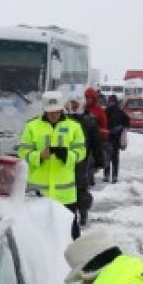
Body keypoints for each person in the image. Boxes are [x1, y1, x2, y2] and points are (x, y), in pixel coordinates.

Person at [17, 91, 87, 238]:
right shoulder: (32, 126)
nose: (53, 115)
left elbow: (81, 152)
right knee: (37, 235)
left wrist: (67, 155)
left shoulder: (74, 127)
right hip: (38, 194)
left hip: (65, 195)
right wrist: (39, 156)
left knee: (69, 235)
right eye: (50, 112)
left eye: (56, 111)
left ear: (61, 109)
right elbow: (23, 153)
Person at [66, 96, 101, 227]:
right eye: (72, 103)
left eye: (76, 104)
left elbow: (96, 143)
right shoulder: (63, 120)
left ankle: (83, 213)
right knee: (66, 189)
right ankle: (68, 214)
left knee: (81, 189)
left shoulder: (89, 121)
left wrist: (99, 162)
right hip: (65, 161)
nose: (74, 106)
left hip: (83, 161)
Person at [83, 88, 109, 184]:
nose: (88, 100)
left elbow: (104, 126)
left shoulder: (99, 111)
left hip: (94, 140)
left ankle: (89, 178)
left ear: (94, 99)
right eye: (86, 98)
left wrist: (100, 133)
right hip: (83, 139)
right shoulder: (82, 109)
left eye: (90, 98)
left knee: (91, 160)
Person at [104, 95, 130, 183]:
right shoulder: (106, 111)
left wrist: (120, 128)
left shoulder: (119, 112)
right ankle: (108, 175)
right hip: (109, 137)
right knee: (108, 157)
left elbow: (127, 122)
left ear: (115, 102)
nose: (110, 103)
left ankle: (113, 175)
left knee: (113, 157)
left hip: (114, 138)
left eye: (112, 101)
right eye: (109, 101)